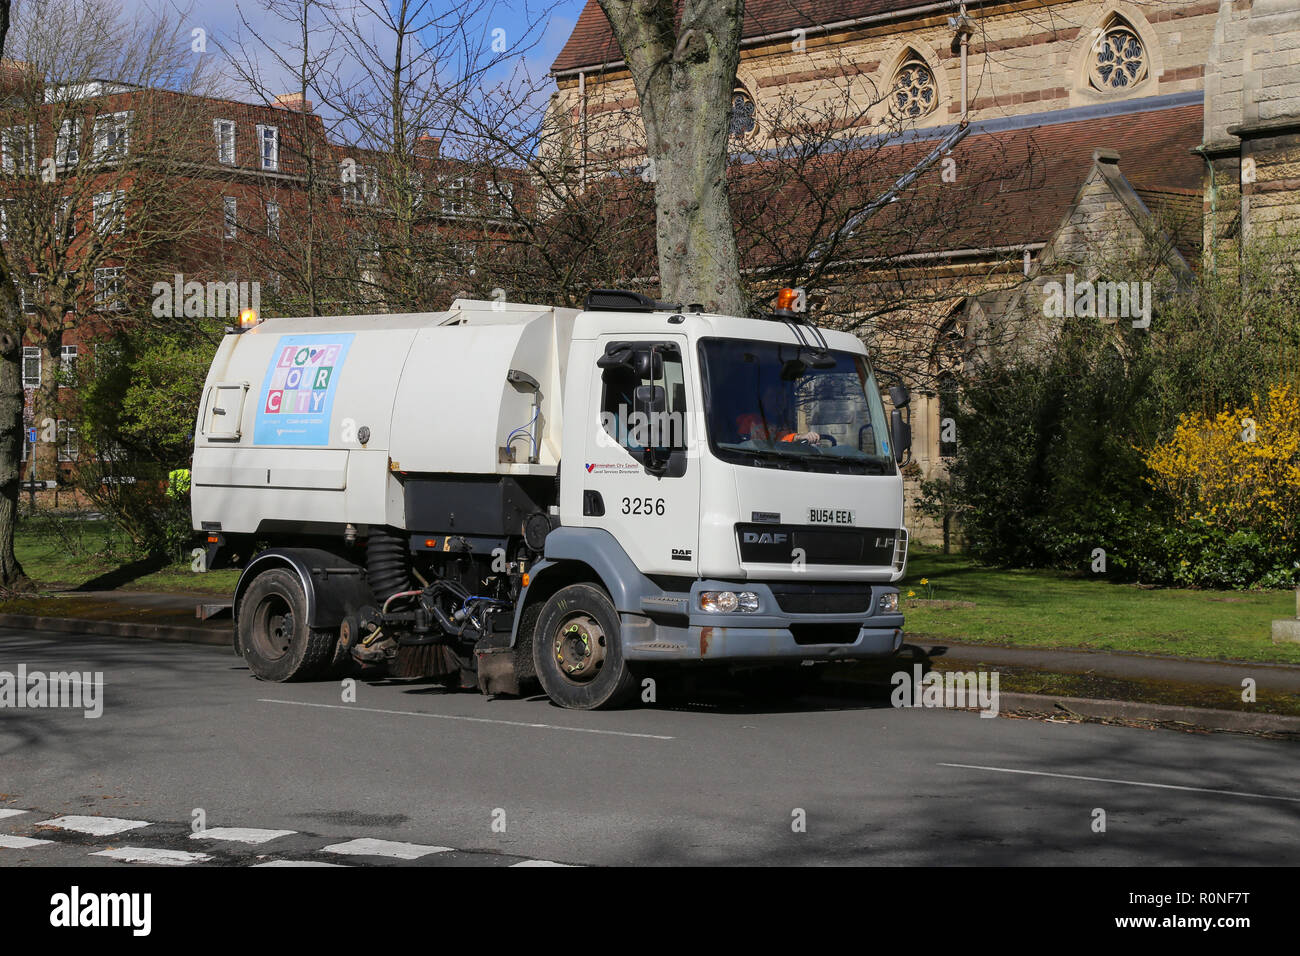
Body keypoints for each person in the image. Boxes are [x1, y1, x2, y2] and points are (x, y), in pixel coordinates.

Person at [736, 384, 820, 444]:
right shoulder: (749, 421)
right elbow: (744, 446)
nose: (777, 402)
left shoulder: (783, 424)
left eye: (782, 398)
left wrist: (805, 440)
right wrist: (798, 438)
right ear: (762, 400)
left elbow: (786, 440)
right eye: (772, 397)